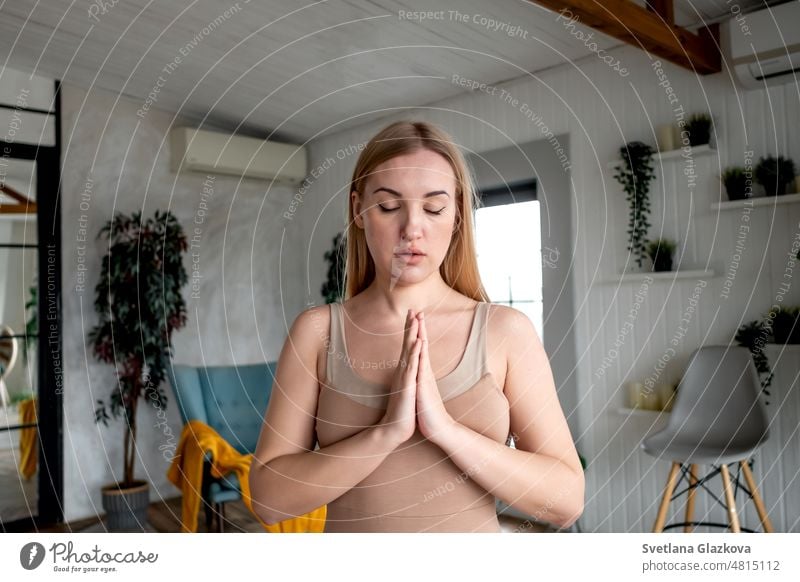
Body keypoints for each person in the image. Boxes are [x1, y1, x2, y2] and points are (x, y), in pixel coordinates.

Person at [249, 120, 584, 532]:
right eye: (389, 206)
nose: (412, 228)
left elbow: (566, 501)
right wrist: (386, 433)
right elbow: (267, 500)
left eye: (434, 207)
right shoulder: (317, 333)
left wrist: (444, 429)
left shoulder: (505, 332)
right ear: (358, 210)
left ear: (458, 212)